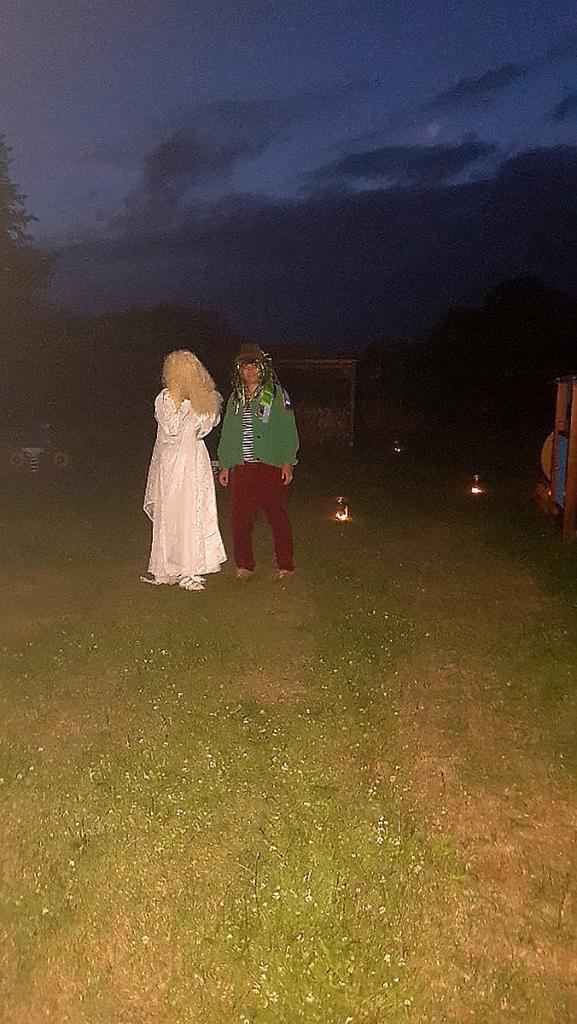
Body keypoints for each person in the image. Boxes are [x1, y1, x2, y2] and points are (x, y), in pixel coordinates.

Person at [143, 350, 226, 591]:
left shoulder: (202, 399)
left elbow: (206, 427)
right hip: (172, 464)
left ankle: (192, 568)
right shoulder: (165, 399)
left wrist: (203, 403)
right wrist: (188, 405)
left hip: (194, 460)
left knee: (195, 512)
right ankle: (170, 567)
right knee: (174, 514)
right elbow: (171, 427)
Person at [217, 344, 299, 580]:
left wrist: (288, 460)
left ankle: (285, 566)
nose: (250, 370)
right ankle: (244, 565)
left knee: (277, 518)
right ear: (240, 370)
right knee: (240, 520)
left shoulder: (276, 394)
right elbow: (228, 432)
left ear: (263, 368)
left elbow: (288, 429)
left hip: (271, 466)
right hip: (243, 468)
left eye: (255, 365)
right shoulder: (236, 398)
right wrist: (225, 464)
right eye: (245, 366)